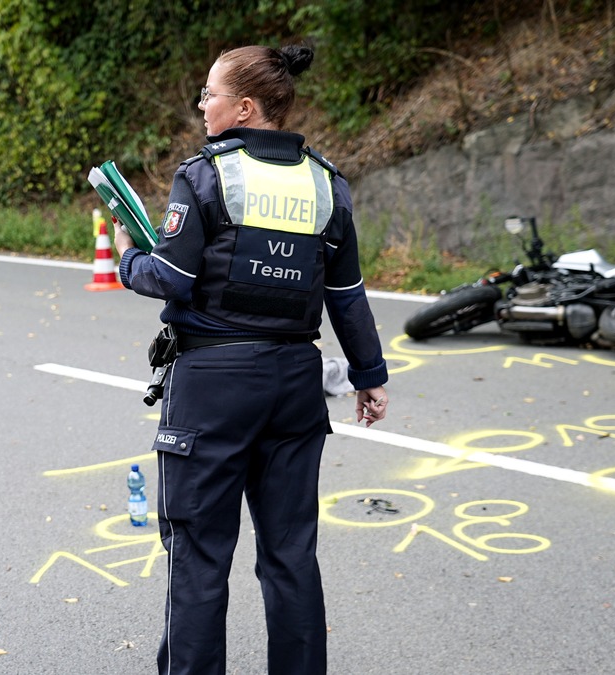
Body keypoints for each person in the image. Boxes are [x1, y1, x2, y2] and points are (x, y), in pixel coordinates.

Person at [113, 44, 390, 675]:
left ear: (244, 106)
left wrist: (130, 257)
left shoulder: (207, 174)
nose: (202, 104)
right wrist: (369, 378)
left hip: (213, 386)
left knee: (200, 555)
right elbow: (347, 296)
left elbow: (173, 278)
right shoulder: (326, 180)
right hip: (295, 384)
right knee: (291, 555)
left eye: (209, 93)